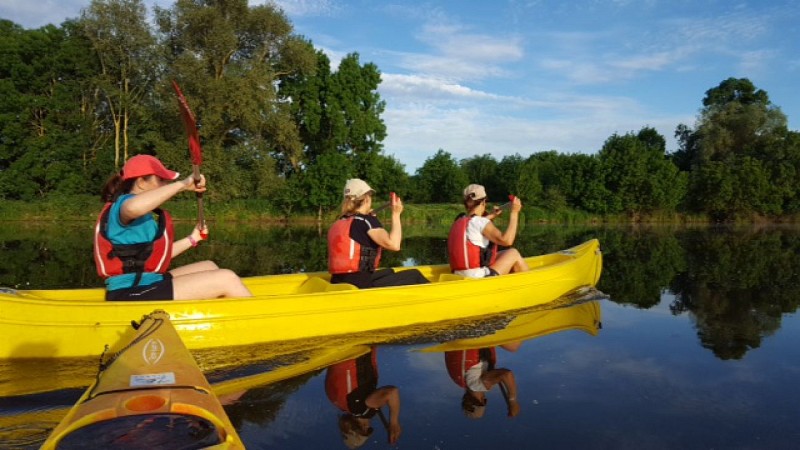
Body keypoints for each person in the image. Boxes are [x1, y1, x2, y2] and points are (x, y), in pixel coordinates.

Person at [94, 154, 252, 301]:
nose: (165, 185)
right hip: (130, 291)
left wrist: (193, 239)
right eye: (161, 180)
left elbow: (155, 255)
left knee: (209, 266)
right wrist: (182, 184)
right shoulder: (124, 205)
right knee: (227, 278)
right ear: (141, 182)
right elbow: (132, 208)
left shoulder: (144, 216)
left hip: (148, 282)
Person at [327, 178, 429, 289]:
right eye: (370, 196)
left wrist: (371, 219)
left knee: (389, 272)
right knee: (415, 275)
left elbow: (363, 236)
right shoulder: (366, 221)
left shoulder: (339, 222)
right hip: (360, 285)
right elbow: (394, 245)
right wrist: (396, 214)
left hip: (338, 281)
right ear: (366, 198)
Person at [447, 184, 530, 278]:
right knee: (513, 253)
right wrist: (514, 212)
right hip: (477, 278)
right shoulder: (481, 222)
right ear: (483, 202)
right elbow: (507, 240)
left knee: (498, 255)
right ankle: (529, 282)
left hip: (458, 275)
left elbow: (476, 224)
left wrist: (492, 215)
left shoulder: (460, 220)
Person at [325, 347, 401, 448]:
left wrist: (394, 422)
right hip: (340, 350)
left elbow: (392, 392)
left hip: (357, 349)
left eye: (368, 430)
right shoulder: (341, 404)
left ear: (363, 428)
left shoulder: (361, 408)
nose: (369, 426)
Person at [445, 346, 521, 419]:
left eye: (485, 401)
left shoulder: (478, 386)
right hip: (465, 343)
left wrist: (513, 401)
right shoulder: (463, 381)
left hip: (474, 340)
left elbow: (506, 374)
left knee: (514, 347)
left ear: (482, 400)